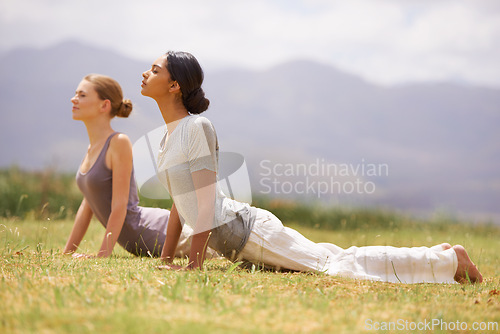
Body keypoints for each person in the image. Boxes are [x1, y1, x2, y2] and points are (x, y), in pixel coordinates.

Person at [140, 52, 483, 284]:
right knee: (332, 256)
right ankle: (435, 255)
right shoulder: (166, 138)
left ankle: (451, 262)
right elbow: (179, 203)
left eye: (155, 70)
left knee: (336, 267)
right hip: (237, 242)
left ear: (174, 86)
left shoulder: (196, 128)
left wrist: (195, 264)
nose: (145, 73)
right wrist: (168, 257)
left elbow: (203, 202)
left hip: (248, 232)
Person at [63, 73, 193, 258]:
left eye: (82, 95)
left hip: (157, 232)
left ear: (104, 105)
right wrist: (67, 252)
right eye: (76, 94)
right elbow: (87, 205)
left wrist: (101, 256)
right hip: (138, 242)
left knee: (224, 251)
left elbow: (120, 206)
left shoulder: (118, 142)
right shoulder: (92, 148)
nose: (73, 99)